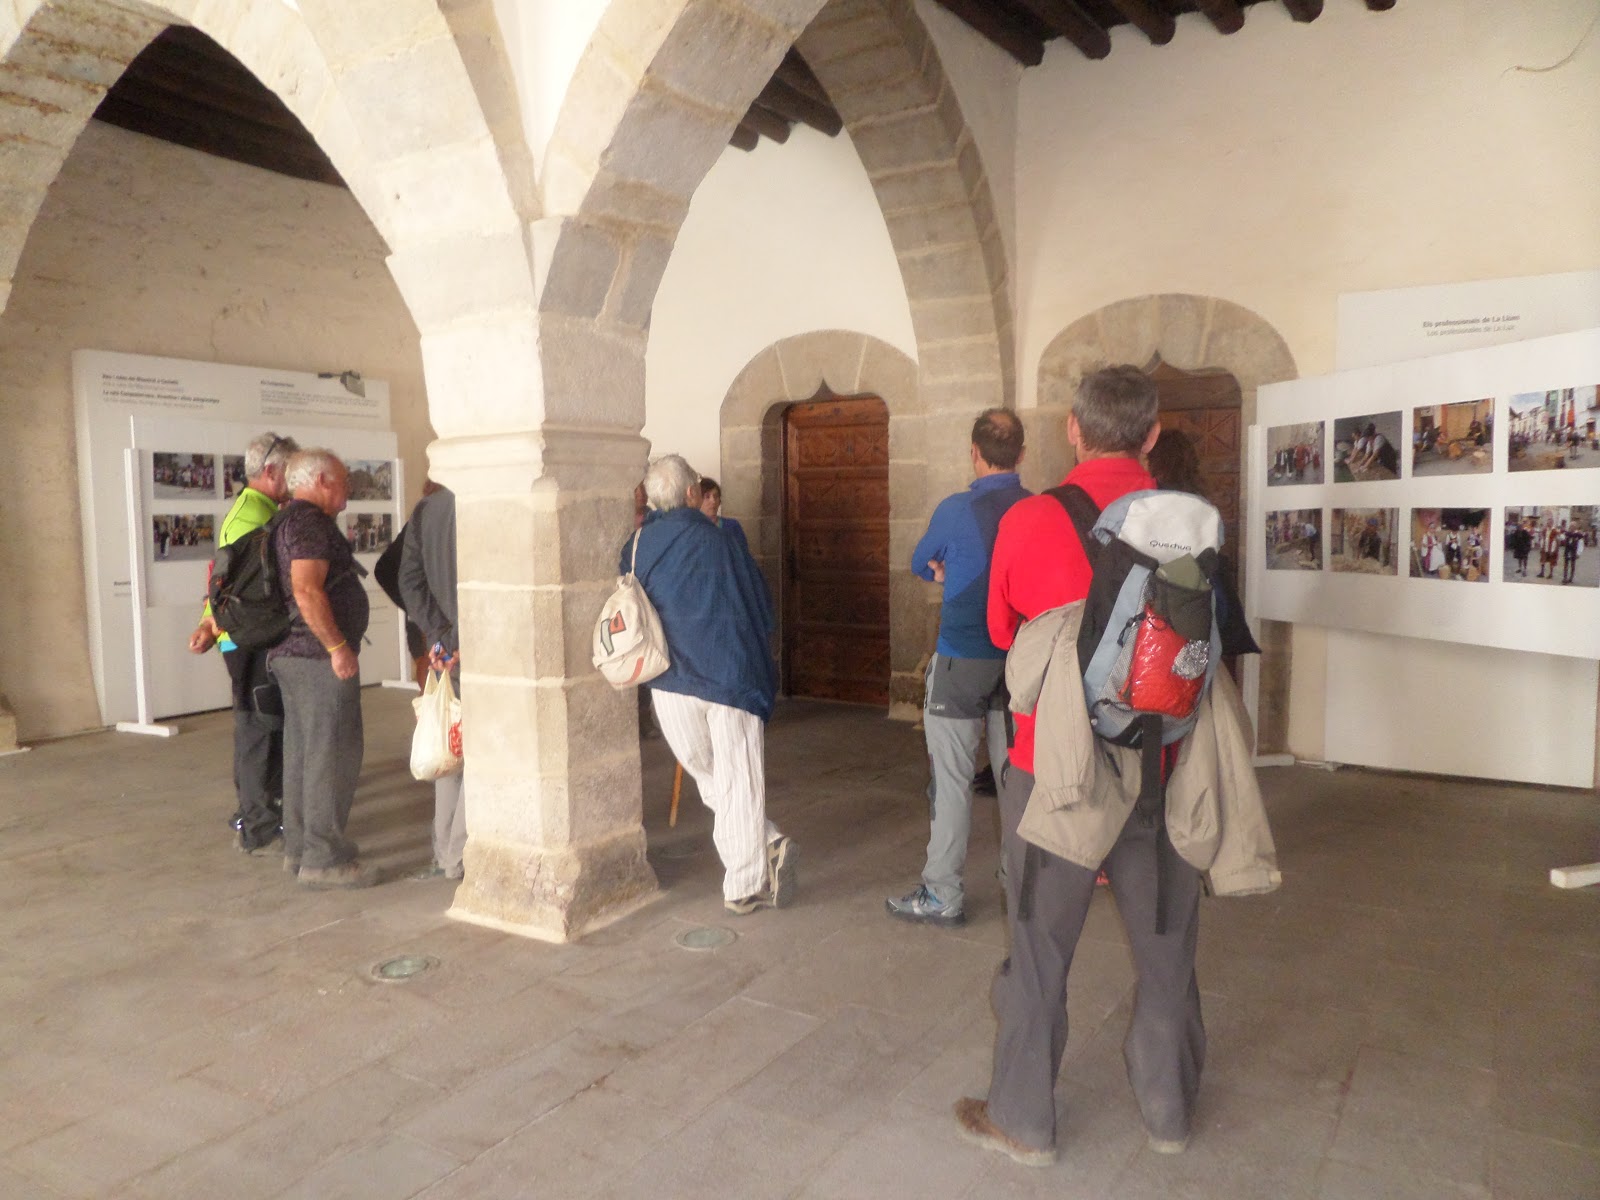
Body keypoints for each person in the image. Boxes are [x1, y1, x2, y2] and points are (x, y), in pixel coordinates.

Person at [955, 365, 1204, 1165]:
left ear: (1073, 428)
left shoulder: (1031, 518)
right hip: (1160, 757)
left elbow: (1002, 630)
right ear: (1151, 435)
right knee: (1165, 944)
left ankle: (1024, 1121)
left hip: (1053, 763)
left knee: (1039, 944)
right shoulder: (1189, 519)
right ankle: (1169, 1111)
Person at [627, 454, 796, 914]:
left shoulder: (637, 544)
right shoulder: (721, 541)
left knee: (710, 775)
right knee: (736, 776)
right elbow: (760, 605)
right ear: (691, 493)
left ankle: (761, 852)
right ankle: (748, 877)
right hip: (728, 675)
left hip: (669, 682)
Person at [886, 409, 1029, 928]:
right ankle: (1021, 886)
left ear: (974, 453)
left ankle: (943, 892)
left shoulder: (955, 508)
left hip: (961, 659)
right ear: (1022, 454)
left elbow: (918, 562)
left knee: (951, 782)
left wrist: (945, 571)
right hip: (1019, 662)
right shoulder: (1037, 508)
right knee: (1016, 780)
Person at [269, 449, 375, 889]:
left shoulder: (286, 520)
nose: (348, 489)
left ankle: (300, 850)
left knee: (304, 754)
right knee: (333, 754)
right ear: (322, 480)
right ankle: (324, 858)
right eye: (344, 480)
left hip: (293, 655)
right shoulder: (310, 523)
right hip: (315, 658)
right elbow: (307, 590)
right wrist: (337, 647)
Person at [188, 431, 298, 853]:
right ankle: (257, 820)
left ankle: (257, 811)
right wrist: (211, 625)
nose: (294, 480)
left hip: (247, 637)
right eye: (290, 471)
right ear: (270, 471)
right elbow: (227, 582)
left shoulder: (260, 509)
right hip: (248, 640)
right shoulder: (251, 516)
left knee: (262, 726)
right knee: (258, 728)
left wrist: (209, 624)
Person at [398, 483, 468, 880]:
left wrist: (439, 635)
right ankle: (460, 854)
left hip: (446, 647)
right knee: (481, 749)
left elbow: (408, 579)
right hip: (481, 644)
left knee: (449, 740)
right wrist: (455, 637)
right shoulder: (484, 496)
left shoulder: (428, 509)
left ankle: (445, 852)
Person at [695, 476, 751, 555]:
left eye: (716, 496)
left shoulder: (732, 526)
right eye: (707, 497)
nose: (713, 501)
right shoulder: (693, 529)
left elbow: (743, 555)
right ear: (698, 500)